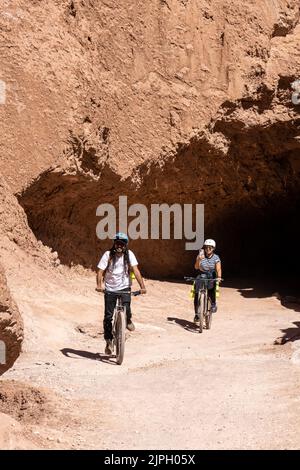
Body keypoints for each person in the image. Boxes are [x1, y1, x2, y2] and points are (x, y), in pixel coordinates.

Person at [96, 232, 146, 355]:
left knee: (127, 308)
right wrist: (99, 286)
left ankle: (128, 320)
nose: (119, 246)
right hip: (110, 289)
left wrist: (142, 287)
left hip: (124, 287)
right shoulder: (108, 255)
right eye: (117, 243)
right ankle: (109, 341)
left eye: (122, 244)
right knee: (108, 317)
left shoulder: (129, 255)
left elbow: (136, 270)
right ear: (114, 243)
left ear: (125, 245)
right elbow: (100, 271)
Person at [194, 238, 222, 322]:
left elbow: (218, 269)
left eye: (210, 247)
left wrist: (219, 277)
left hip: (211, 274)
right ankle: (197, 314)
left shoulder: (216, 257)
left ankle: (213, 304)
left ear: (213, 248)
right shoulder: (200, 255)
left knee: (211, 288)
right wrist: (199, 259)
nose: (208, 249)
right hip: (202, 274)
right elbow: (196, 267)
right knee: (196, 293)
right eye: (206, 247)